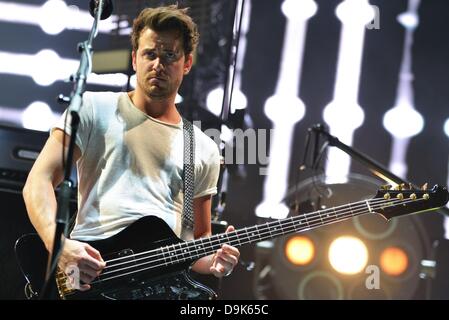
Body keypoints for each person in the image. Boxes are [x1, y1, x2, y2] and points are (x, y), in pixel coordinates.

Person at [22, 4, 240, 296]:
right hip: (84, 273)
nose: (158, 64)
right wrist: (58, 245)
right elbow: (38, 181)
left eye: (170, 55)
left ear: (187, 63)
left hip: (155, 290)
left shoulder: (202, 148)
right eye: (150, 53)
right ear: (135, 59)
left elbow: (198, 239)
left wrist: (215, 261)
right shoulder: (93, 108)